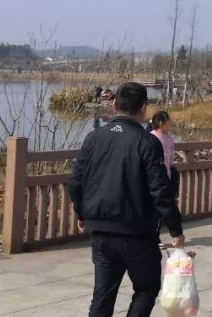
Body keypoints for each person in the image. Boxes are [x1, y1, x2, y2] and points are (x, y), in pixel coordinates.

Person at [69, 82, 184, 317]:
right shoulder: (147, 142)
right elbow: (160, 190)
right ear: (143, 108)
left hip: (100, 230)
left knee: (102, 293)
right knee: (147, 287)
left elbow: (76, 183)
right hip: (136, 232)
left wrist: (82, 213)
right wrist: (175, 229)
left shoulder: (93, 138)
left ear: (114, 105)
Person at [150, 111, 180, 200]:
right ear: (161, 123)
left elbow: (170, 161)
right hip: (157, 178)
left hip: (164, 177)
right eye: (168, 120)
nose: (170, 123)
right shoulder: (152, 137)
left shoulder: (169, 138)